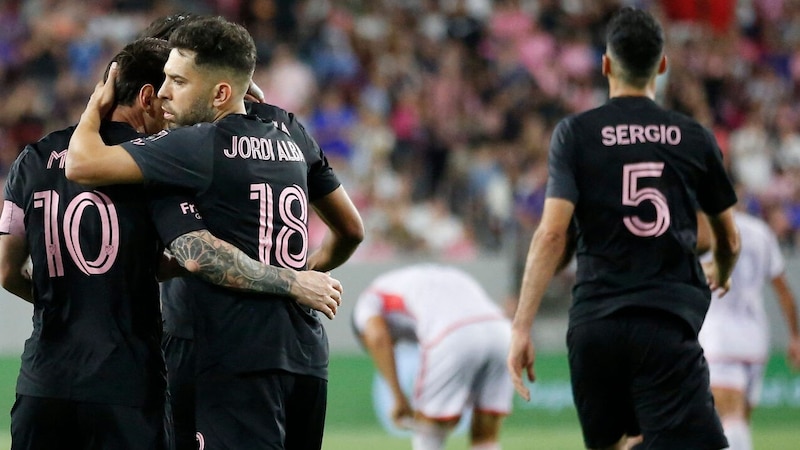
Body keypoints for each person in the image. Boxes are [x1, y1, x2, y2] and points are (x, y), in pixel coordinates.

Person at [0, 37, 345, 450]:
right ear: (147, 97)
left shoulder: (32, 159)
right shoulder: (151, 164)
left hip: (43, 380)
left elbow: (6, 270)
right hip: (126, 381)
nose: (169, 104)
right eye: (166, 89)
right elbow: (192, 252)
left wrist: (69, 300)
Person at [506, 7, 741, 450]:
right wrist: (723, 271)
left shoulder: (575, 133)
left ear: (606, 64)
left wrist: (521, 327)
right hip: (664, 322)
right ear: (663, 65)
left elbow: (553, 235)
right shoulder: (693, 136)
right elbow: (728, 237)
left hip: (596, 325)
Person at [352, 263, 513, 450]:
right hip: (502, 333)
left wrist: (398, 398)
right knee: (486, 435)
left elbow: (377, 337)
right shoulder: (423, 278)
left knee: (428, 432)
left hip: (452, 334)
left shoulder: (369, 298)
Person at [698, 210, 800, 450]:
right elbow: (783, 290)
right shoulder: (761, 232)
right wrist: (795, 336)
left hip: (718, 337)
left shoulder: (706, 228)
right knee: (739, 420)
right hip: (755, 338)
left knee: (726, 419)